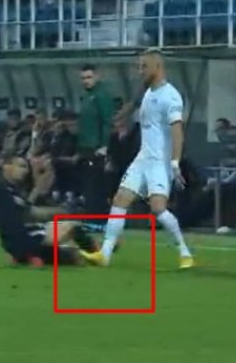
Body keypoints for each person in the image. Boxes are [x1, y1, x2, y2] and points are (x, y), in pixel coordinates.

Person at [83, 48, 194, 269]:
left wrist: (175, 162)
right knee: (120, 200)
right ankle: (104, 254)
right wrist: (117, 118)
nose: (140, 71)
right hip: (142, 159)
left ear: (158, 67)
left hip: (159, 162)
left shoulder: (170, 96)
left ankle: (184, 252)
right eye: (138, 66)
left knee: (158, 208)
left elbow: (177, 131)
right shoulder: (147, 91)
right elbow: (132, 104)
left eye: (144, 66)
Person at [77, 64, 115, 230]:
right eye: (83, 78)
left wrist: (104, 145)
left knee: (95, 185)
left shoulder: (102, 96)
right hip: (86, 146)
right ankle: (91, 218)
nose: (86, 81)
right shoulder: (87, 96)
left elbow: (107, 122)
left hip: (96, 147)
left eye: (89, 77)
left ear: (97, 76)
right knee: (89, 184)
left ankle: (97, 220)